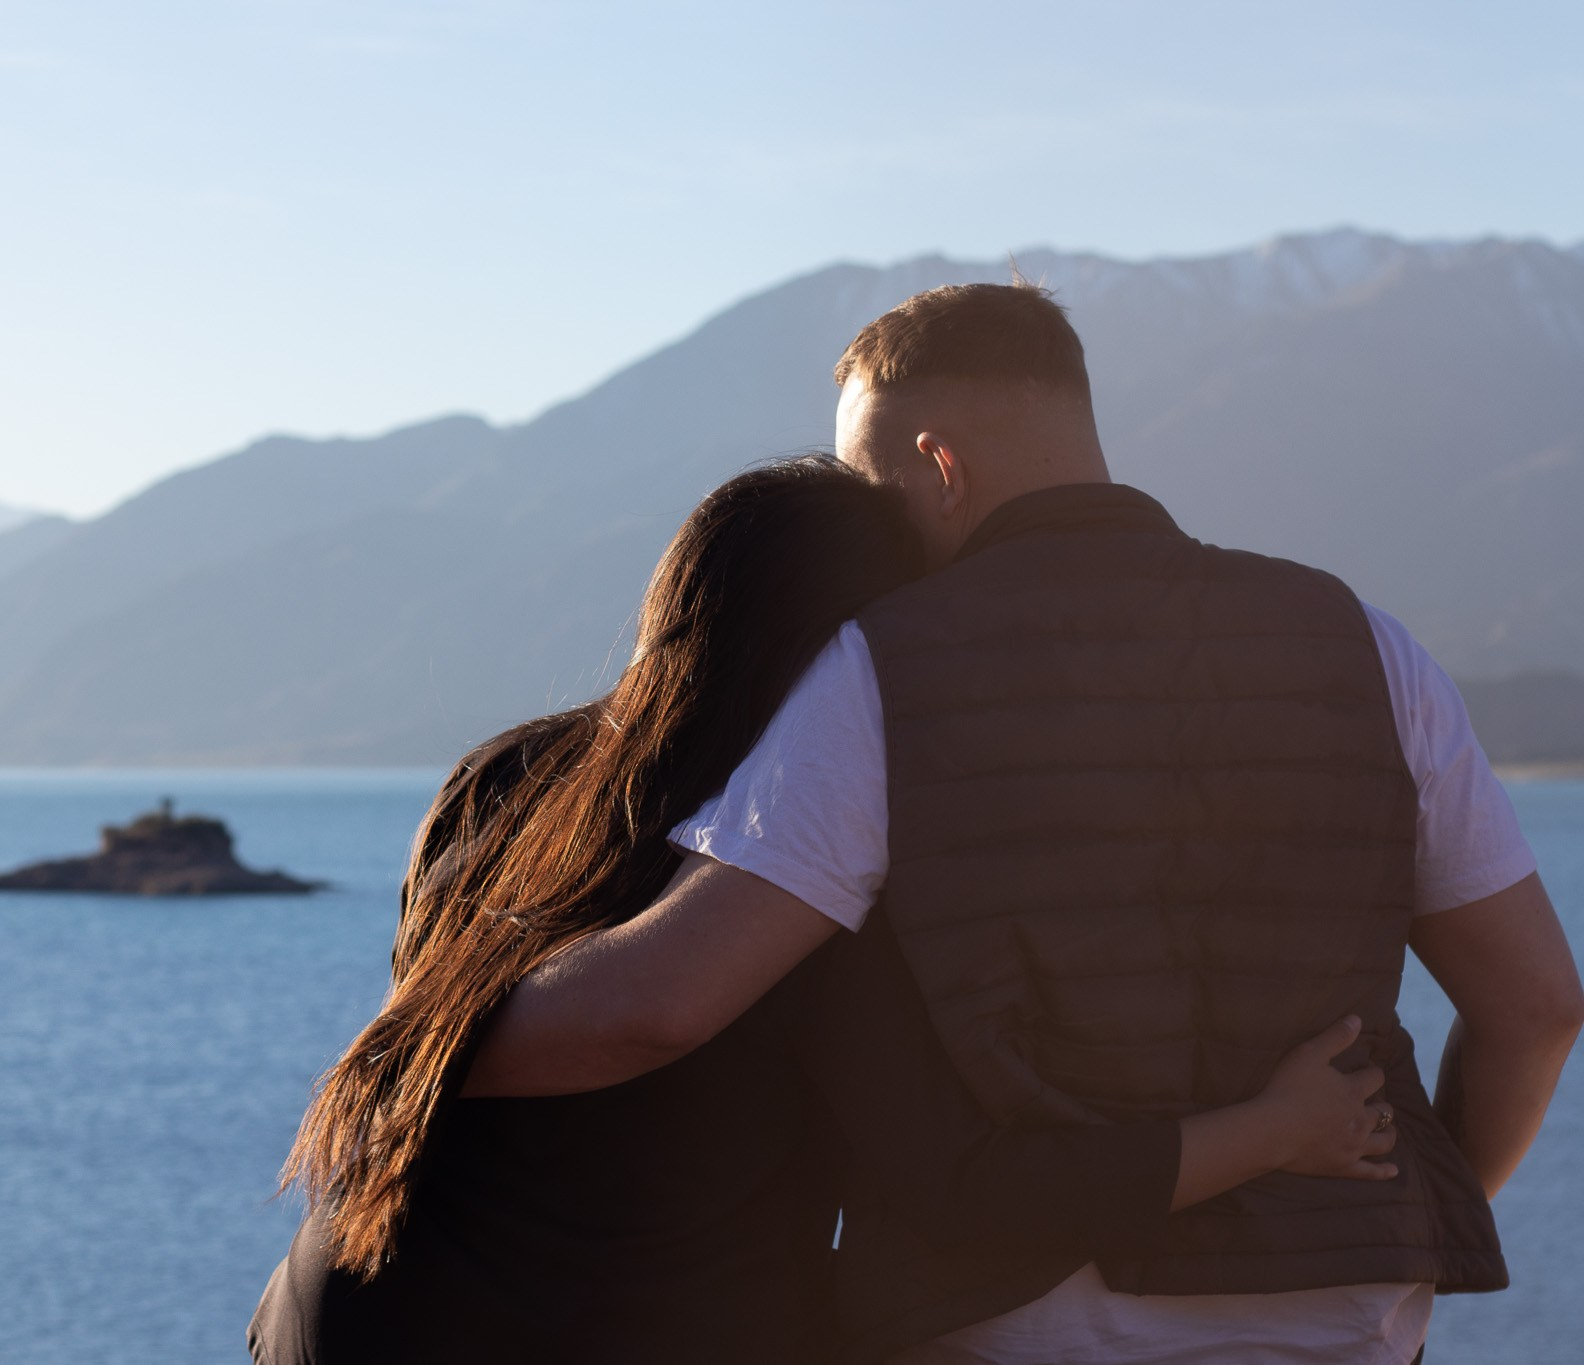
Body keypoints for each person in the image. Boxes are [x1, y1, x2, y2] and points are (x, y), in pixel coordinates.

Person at [468, 283, 1584, 1364]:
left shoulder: (887, 667)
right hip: (1350, 1311)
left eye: (872, 489)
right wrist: (1386, 1223)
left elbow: (657, 1005)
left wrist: (415, 1063)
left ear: (937, 467)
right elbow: (1536, 1007)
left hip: (1019, 1318)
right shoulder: (1365, 645)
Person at [251, 456, 1398, 1365]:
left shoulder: (497, 779)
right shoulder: (807, 866)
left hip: (343, 1307)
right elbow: (963, 1184)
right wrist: (1273, 1131)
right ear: (867, 641)